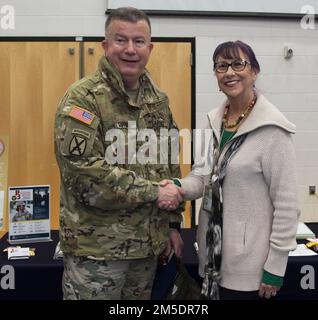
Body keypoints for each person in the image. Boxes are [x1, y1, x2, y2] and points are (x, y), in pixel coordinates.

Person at [54, 7, 184, 300]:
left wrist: (173, 224)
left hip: (147, 251)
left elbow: (169, 165)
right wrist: (154, 193)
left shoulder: (157, 100)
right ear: (105, 45)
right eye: (120, 40)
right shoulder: (83, 99)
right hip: (97, 254)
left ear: (149, 48)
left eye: (139, 42)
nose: (130, 49)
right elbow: (85, 175)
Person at [159, 40, 300, 300]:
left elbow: (287, 205)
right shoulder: (213, 121)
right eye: (221, 66)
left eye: (238, 64)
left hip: (251, 270)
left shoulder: (273, 131)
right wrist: (179, 187)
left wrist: (275, 267)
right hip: (212, 261)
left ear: (254, 71)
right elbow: (202, 177)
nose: (229, 72)